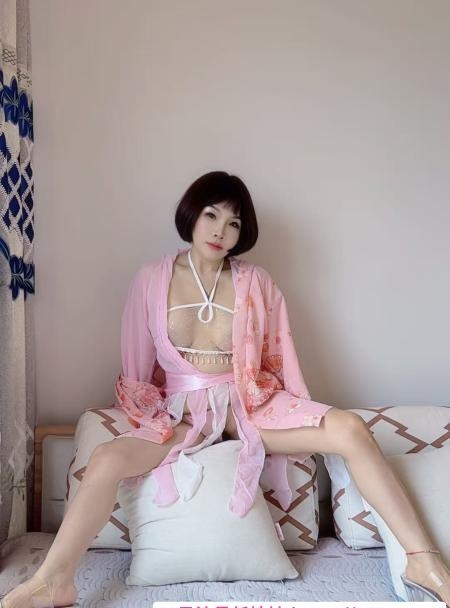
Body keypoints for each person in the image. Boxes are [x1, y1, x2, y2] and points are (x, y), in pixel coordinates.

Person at [1, 171, 449, 608]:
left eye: (233, 223)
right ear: (192, 215)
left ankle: (421, 560)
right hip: (182, 414)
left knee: (350, 428)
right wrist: (156, 420)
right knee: (105, 459)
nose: (220, 231)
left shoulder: (257, 282)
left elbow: (278, 357)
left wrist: (287, 406)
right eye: (212, 215)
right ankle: (53, 581)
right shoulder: (150, 279)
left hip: (249, 407)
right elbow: (138, 372)